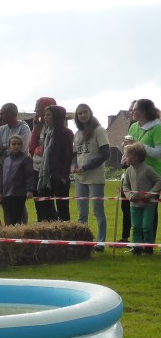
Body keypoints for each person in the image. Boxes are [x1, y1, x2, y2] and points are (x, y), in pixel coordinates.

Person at [72, 103, 109, 250]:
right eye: (79, 113)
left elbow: (105, 153)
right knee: (82, 213)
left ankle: (100, 242)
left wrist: (86, 167)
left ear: (90, 113)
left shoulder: (99, 130)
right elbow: (74, 154)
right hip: (80, 178)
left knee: (98, 211)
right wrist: (73, 165)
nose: (82, 115)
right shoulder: (77, 134)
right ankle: (83, 242)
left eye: (85, 112)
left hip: (95, 177)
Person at [31, 105, 73, 222]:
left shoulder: (66, 133)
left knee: (62, 209)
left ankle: (64, 231)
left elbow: (69, 155)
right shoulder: (48, 133)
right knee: (45, 207)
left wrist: (64, 176)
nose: (45, 117)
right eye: (45, 115)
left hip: (59, 175)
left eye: (48, 115)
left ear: (57, 116)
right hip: (47, 175)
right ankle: (50, 229)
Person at [122, 141, 161, 255]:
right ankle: (136, 248)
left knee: (146, 226)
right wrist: (130, 196)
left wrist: (151, 194)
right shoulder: (128, 171)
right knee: (136, 226)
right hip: (134, 205)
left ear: (136, 157)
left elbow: (159, 181)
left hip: (149, 204)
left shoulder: (148, 169)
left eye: (127, 156)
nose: (125, 158)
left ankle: (149, 248)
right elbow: (125, 185)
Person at [0, 135, 36, 225]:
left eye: (19, 144)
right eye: (14, 144)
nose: (16, 146)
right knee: (7, 217)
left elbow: (30, 175)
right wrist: (0, 191)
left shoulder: (26, 159)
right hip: (6, 193)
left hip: (19, 192)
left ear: (22, 145)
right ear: (9, 146)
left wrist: (30, 190)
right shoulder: (6, 160)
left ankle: (17, 232)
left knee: (16, 217)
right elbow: (2, 177)